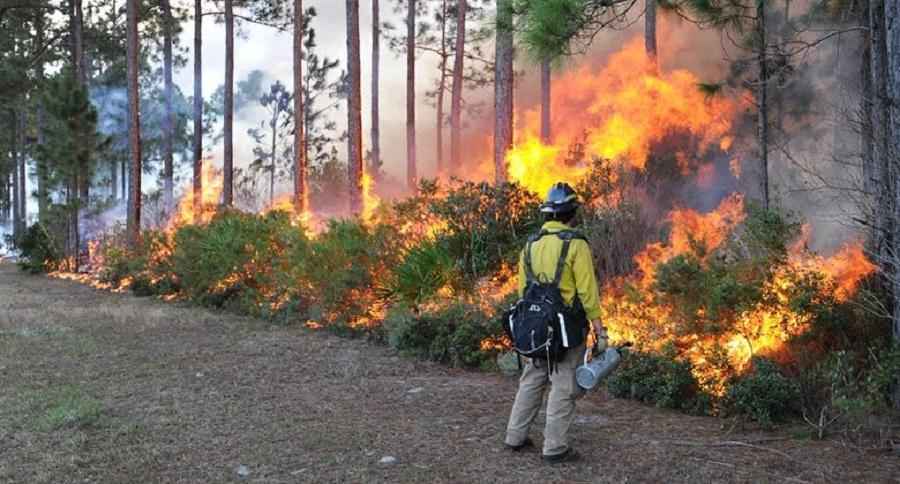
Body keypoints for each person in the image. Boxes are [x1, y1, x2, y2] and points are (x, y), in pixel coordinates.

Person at [504, 182, 607, 464]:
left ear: (549, 214)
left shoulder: (530, 245)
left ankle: (515, 436)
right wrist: (599, 328)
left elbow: (524, 291)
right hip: (566, 329)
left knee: (532, 378)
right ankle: (555, 447)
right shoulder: (575, 244)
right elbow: (587, 290)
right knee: (563, 384)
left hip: (535, 327)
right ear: (572, 212)